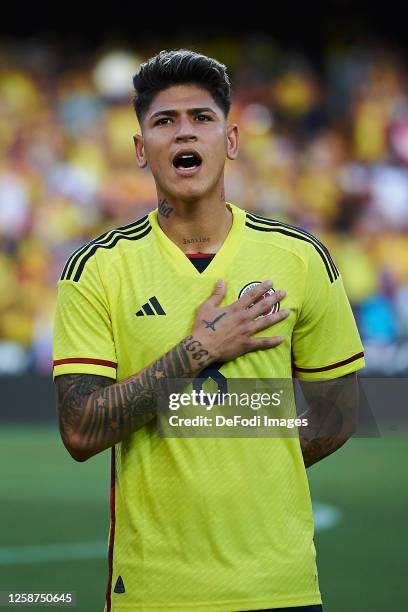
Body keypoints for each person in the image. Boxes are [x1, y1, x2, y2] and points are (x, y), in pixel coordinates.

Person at [52, 49, 365, 612]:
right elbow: (79, 430)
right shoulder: (97, 268)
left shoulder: (301, 257)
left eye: (202, 118)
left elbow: (338, 413)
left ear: (232, 139)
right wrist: (198, 352)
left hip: (280, 586)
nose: (183, 134)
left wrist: (246, 448)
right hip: (153, 591)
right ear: (141, 150)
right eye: (164, 121)